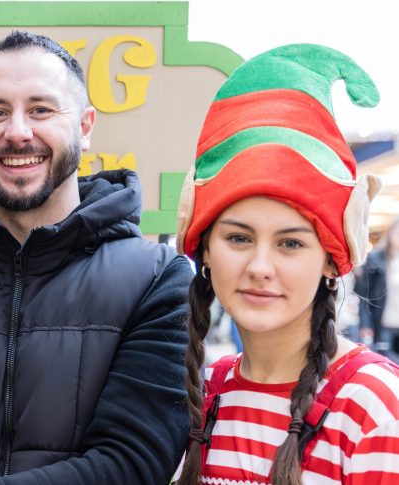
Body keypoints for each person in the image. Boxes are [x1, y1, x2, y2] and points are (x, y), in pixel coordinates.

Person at [0, 30, 191, 484]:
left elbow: (134, 464)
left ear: (86, 126)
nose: (17, 132)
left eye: (41, 109)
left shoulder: (157, 279)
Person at [176, 44, 399, 484]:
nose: (260, 266)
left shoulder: (374, 407)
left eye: (290, 244)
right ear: (203, 249)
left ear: (332, 263)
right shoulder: (208, 393)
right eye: (238, 237)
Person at [355, 219, 399, 359]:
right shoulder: (375, 259)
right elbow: (364, 295)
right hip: (383, 323)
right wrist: (365, 324)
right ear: (390, 233)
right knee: (387, 364)